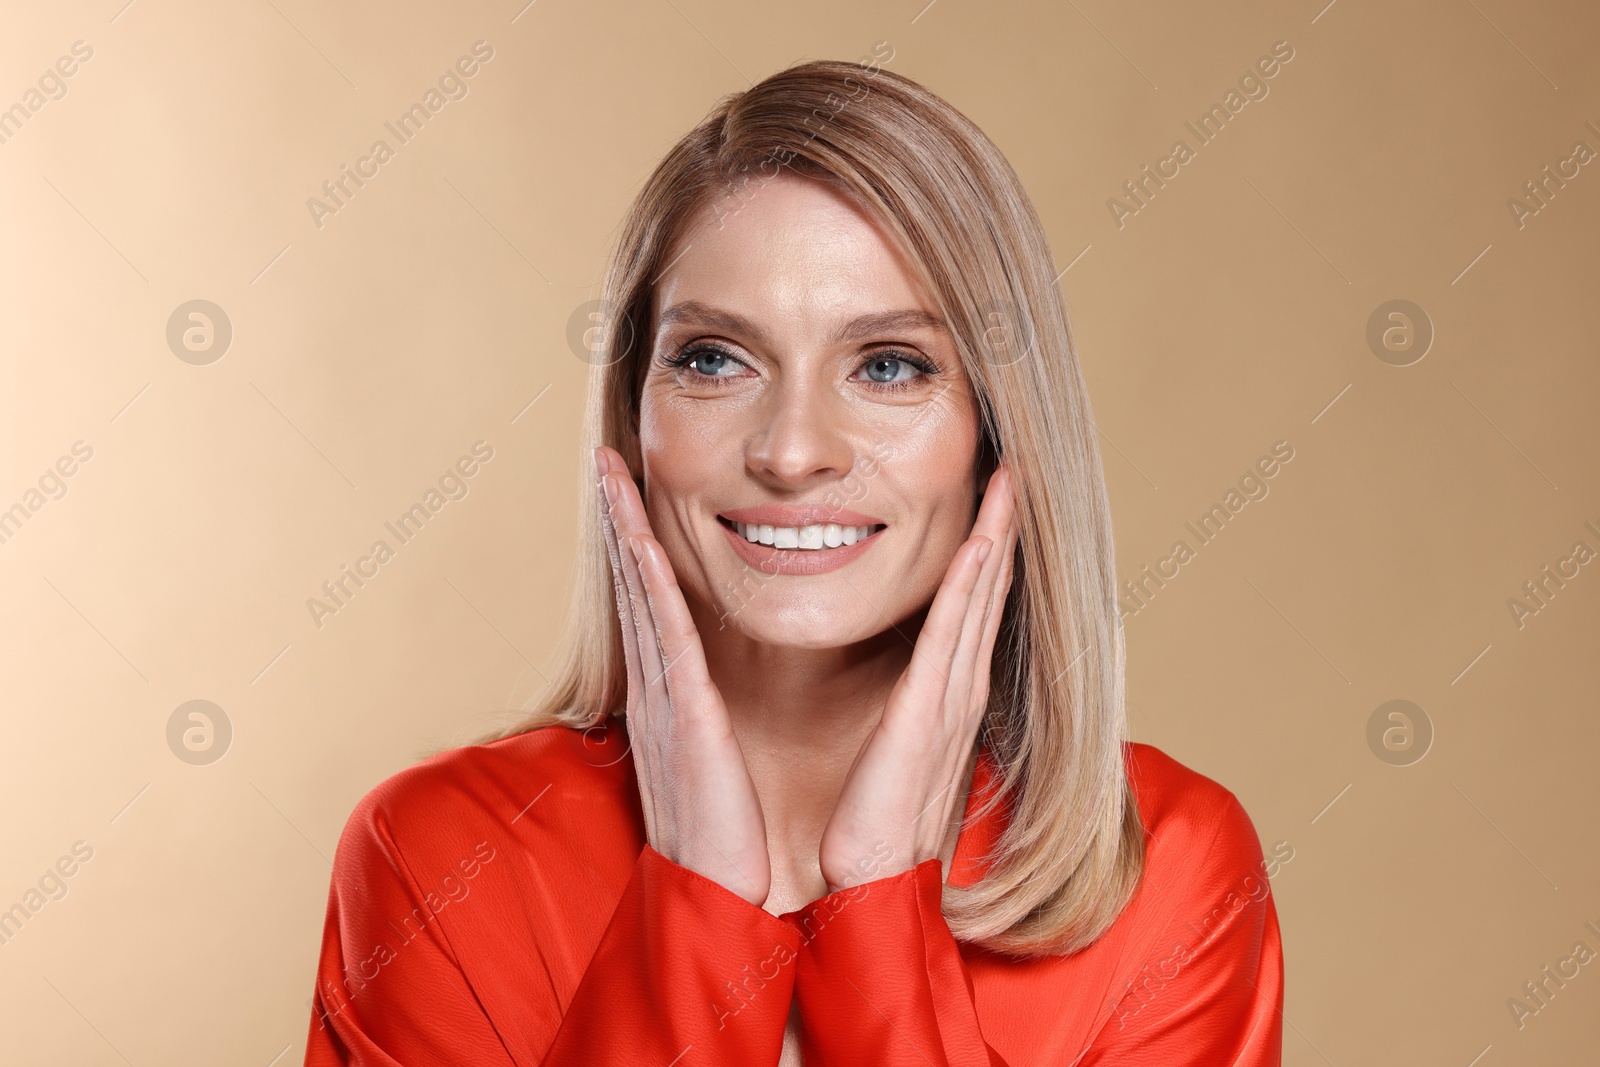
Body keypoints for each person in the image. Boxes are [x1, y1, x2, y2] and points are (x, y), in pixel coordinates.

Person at [302, 56, 1283, 1066]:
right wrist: (699, 901)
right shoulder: (438, 854)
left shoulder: (1169, 869)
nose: (791, 448)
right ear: (635, 416)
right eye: (715, 357)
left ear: (998, 432)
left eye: (889, 365)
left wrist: (875, 903)